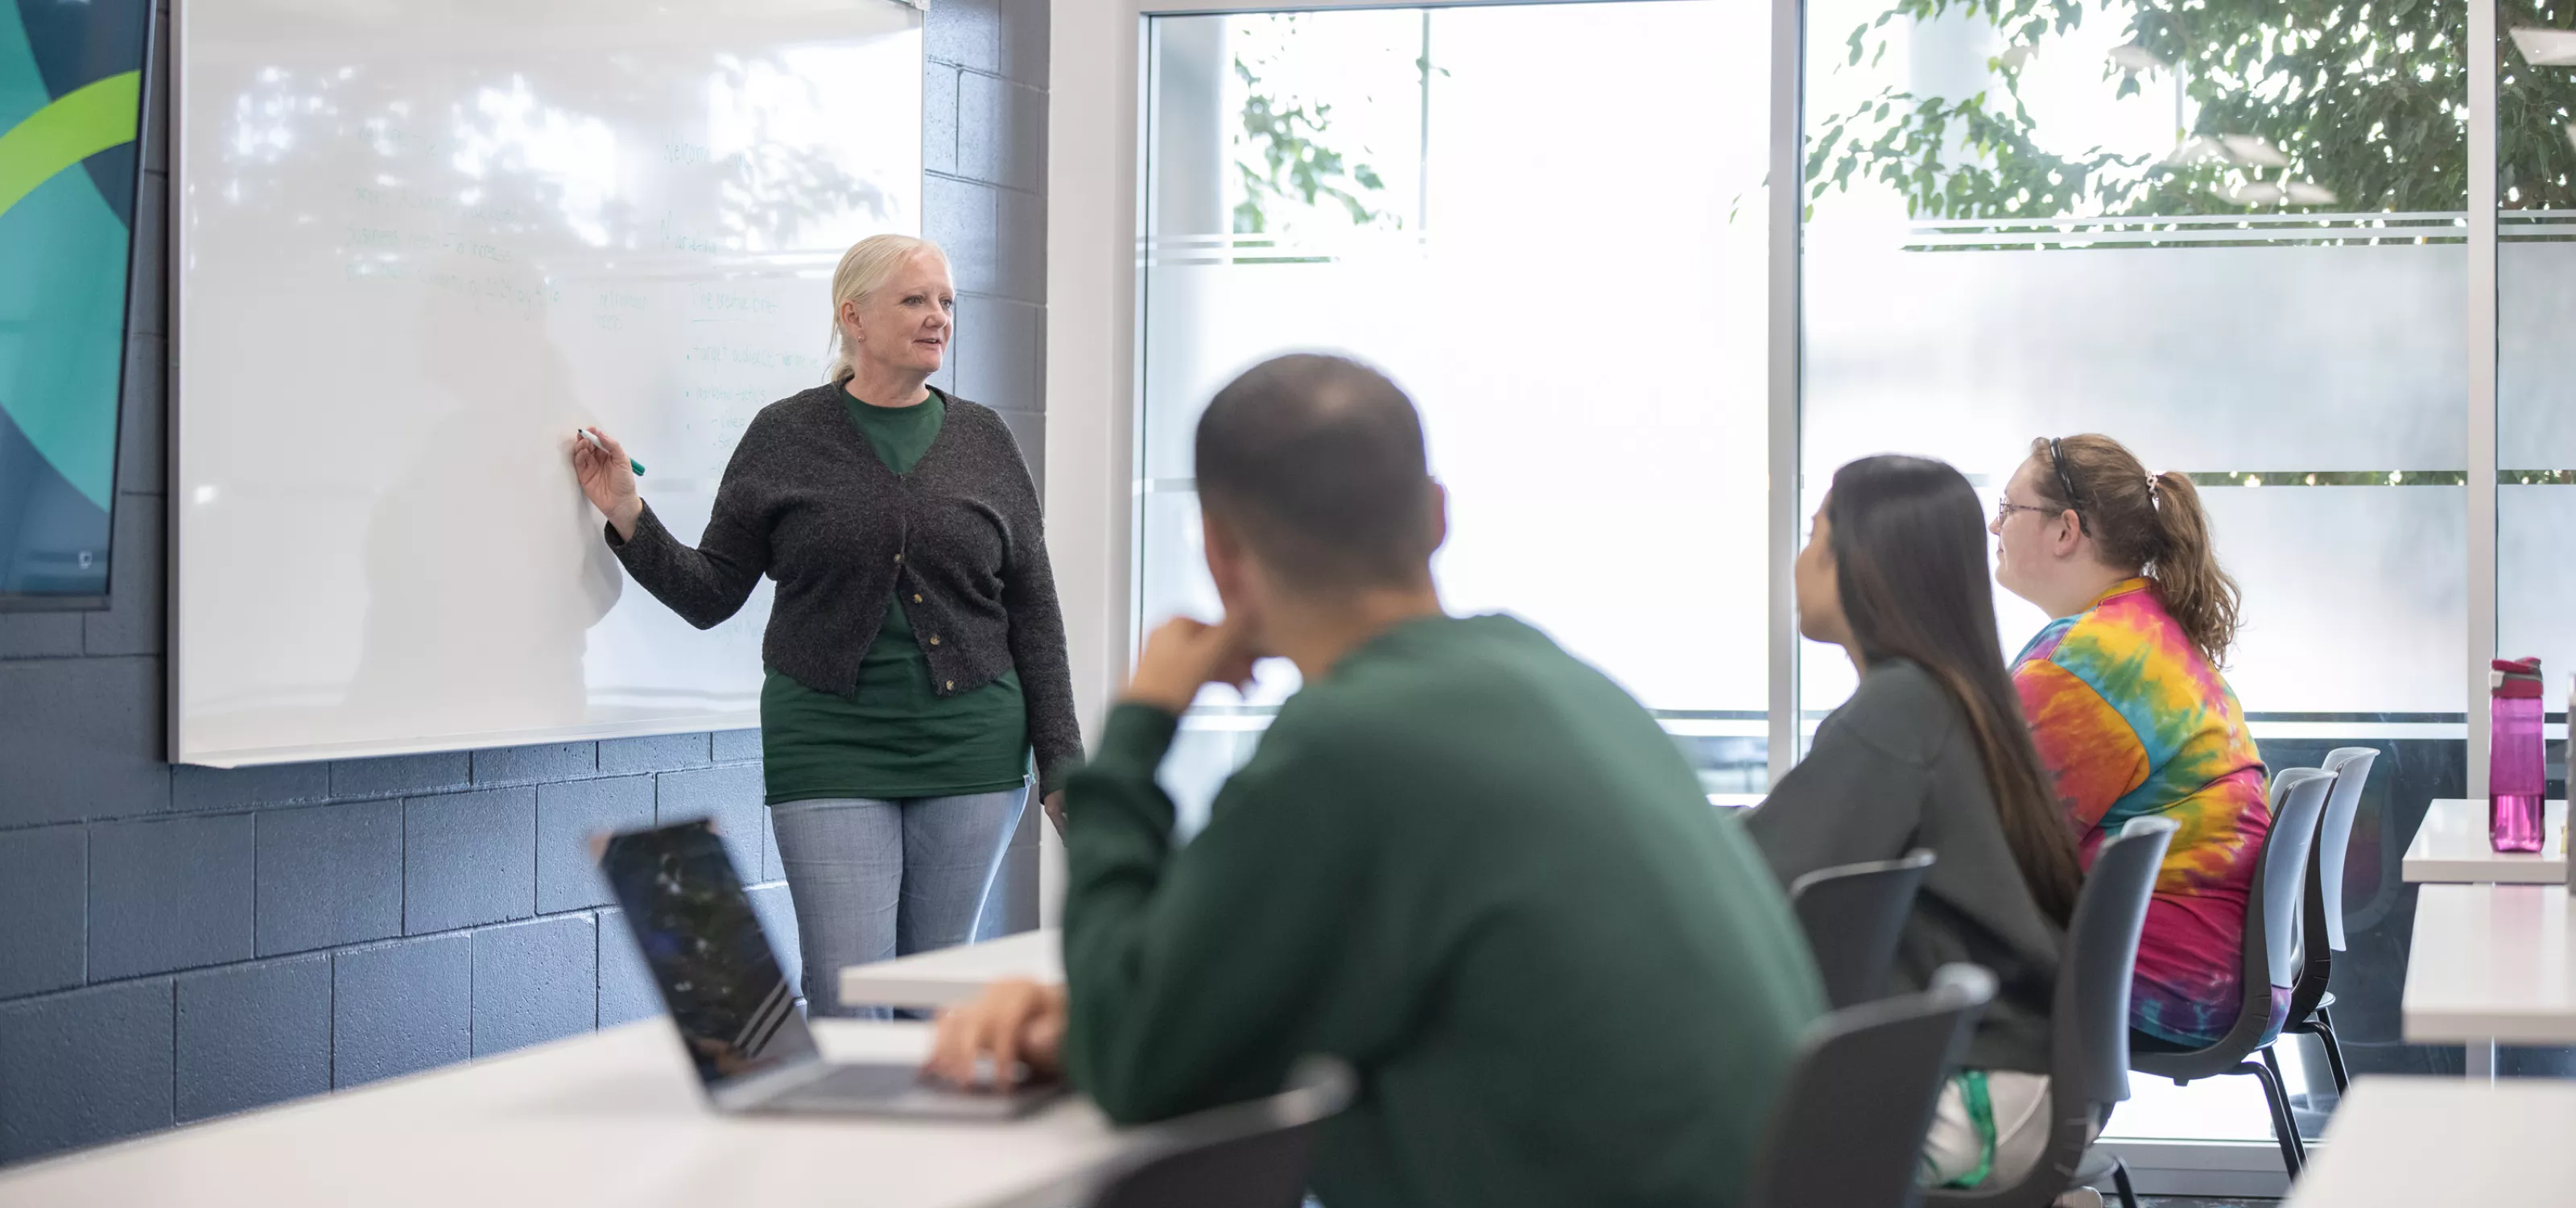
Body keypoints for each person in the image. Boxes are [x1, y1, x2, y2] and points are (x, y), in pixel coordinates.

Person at [922, 354, 1823, 1208]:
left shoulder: (1347, 746)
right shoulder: (1555, 679)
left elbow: (1139, 1068)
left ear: (1220, 557)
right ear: (1435, 514)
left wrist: (1140, 728)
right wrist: (1104, 1021)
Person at [571, 234, 1080, 1015]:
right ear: (854, 316)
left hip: (972, 747)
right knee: (844, 993)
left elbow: (1034, 613)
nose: (938, 317)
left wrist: (1061, 766)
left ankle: (924, 1139)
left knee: (934, 1000)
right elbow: (712, 593)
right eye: (915, 300)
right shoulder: (784, 435)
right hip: (829, 741)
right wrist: (627, 515)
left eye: (946, 301)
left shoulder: (984, 440)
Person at [1745, 454, 2083, 1191]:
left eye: (1813, 536)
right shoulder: (1956, 698)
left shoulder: (1899, 710)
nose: (1800, 562)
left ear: (1862, 561)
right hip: (2023, 1071)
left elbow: (1754, 887)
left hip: (1974, 1093)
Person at [1989, 434, 2271, 1050]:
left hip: (2163, 972)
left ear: (2066, 531)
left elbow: (1999, 843)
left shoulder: (2091, 661)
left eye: (2010, 509)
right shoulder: (2144, 632)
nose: (1994, 525)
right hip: (2205, 960)